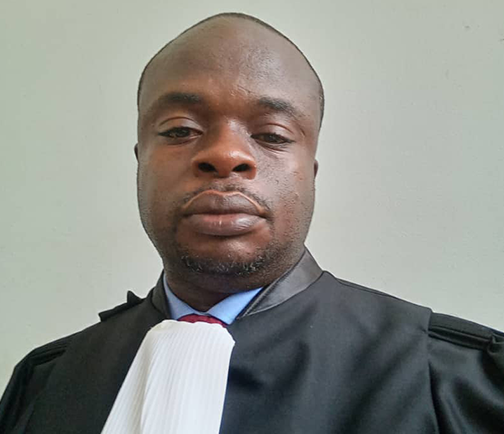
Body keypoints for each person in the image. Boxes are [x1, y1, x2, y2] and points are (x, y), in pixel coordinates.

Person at [0, 12, 503, 434]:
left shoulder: (455, 382)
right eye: (179, 130)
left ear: (310, 171)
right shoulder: (47, 384)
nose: (225, 154)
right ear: (140, 160)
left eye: (272, 134)